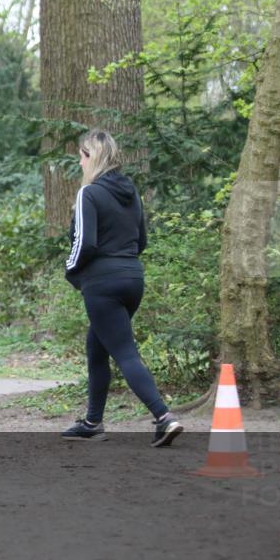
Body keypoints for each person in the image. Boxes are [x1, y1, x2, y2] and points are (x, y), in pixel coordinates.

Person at [62, 129, 182, 447]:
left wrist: (71, 271)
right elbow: (141, 241)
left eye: (81, 155)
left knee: (125, 353)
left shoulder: (88, 194)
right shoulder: (132, 192)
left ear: (91, 156)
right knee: (97, 348)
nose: (79, 161)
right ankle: (92, 422)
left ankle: (163, 417)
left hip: (103, 283)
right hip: (133, 279)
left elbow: (84, 242)